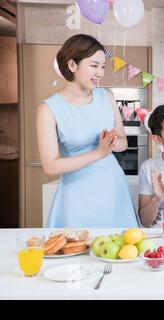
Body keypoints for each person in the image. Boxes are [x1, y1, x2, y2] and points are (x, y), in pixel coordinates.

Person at [37, 34, 138, 228]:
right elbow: (50, 166)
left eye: (103, 67)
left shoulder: (107, 97)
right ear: (72, 65)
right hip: (77, 195)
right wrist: (99, 153)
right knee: (75, 251)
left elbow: (123, 142)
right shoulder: (48, 109)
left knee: (122, 252)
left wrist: (111, 143)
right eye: (94, 65)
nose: (100, 73)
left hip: (112, 189)